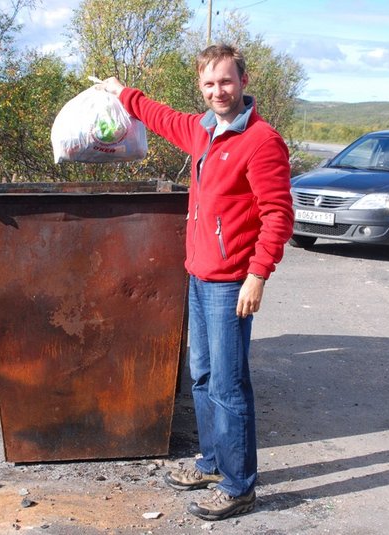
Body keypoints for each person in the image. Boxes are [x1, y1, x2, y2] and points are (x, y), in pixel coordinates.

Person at [98, 44, 294, 521]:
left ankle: (239, 485)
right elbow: (159, 116)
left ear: (243, 81)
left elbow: (278, 216)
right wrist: (120, 92)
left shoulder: (261, 141)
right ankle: (211, 461)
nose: (217, 91)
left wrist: (257, 276)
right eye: (209, 84)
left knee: (229, 385)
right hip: (199, 277)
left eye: (225, 81)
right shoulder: (202, 130)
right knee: (202, 377)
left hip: (231, 283)